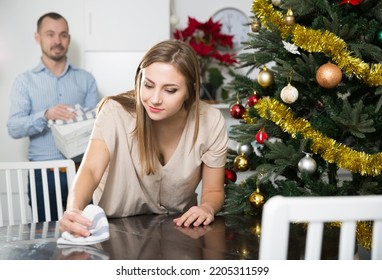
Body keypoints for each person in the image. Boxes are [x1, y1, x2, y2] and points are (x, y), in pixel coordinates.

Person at [59, 39, 229, 237]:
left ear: (190, 90)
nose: (155, 99)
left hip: (178, 231)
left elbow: (213, 191)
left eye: (170, 90)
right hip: (115, 231)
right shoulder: (114, 112)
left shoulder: (211, 120)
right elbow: (90, 170)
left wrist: (207, 207)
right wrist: (73, 210)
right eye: (148, 85)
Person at [7, 12, 100, 222]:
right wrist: (45, 115)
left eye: (63, 35)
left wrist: (82, 121)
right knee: (46, 240)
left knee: (87, 234)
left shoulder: (86, 80)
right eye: (50, 34)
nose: (57, 41)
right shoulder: (24, 82)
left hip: (81, 173)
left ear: (68, 38)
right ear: (38, 37)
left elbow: (98, 129)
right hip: (42, 175)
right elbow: (13, 128)